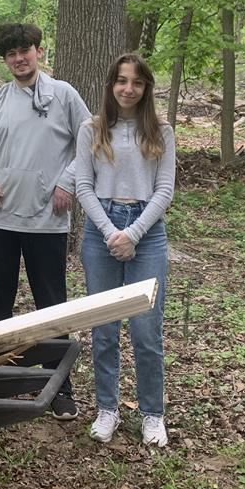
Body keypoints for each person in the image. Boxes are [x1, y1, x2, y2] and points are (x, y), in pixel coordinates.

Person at [0, 23, 90, 419]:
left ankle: (59, 387)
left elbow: (90, 141)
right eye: (10, 54)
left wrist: (68, 182)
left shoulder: (63, 95)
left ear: (39, 51)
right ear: (5, 60)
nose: (19, 59)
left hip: (46, 221)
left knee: (51, 307)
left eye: (25, 50)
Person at [75, 53, 175, 447]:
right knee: (104, 327)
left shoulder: (161, 131)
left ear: (146, 87)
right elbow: (83, 185)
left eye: (136, 82)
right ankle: (107, 408)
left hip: (146, 232)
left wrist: (132, 233)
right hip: (101, 229)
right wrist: (110, 231)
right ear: (111, 85)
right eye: (121, 81)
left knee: (146, 329)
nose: (128, 89)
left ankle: (152, 413)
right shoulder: (92, 129)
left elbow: (165, 189)